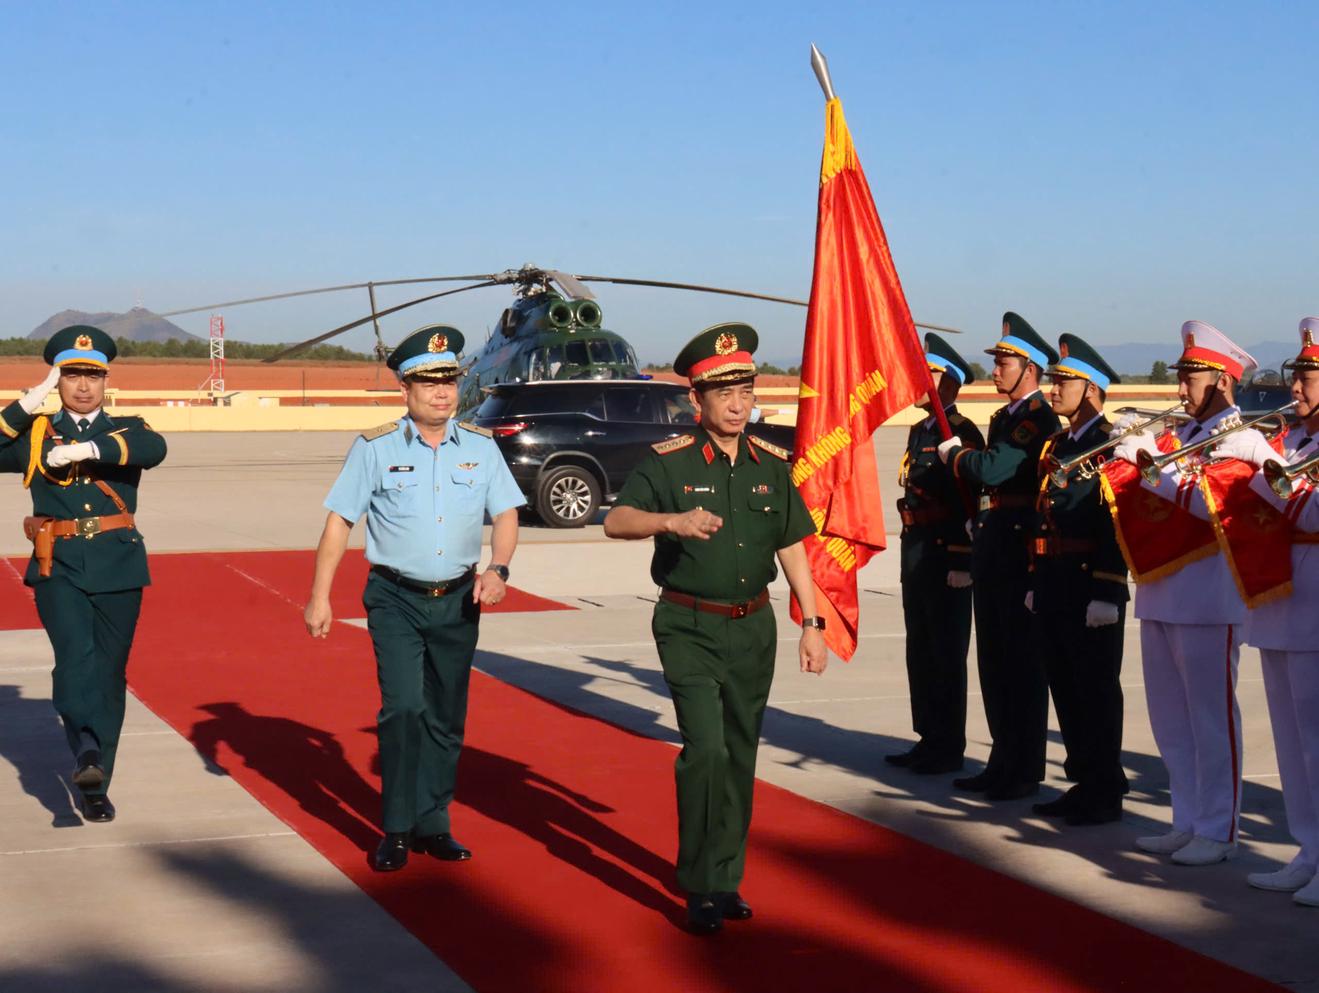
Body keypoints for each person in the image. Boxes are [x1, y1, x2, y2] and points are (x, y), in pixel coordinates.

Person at [603, 322, 827, 935]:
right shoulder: (669, 462)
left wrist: (812, 621)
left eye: (745, 392)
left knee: (739, 753)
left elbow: (792, 544)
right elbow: (617, 521)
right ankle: (699, 883)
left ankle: (726, 879)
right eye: (724, 393)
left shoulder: (770, 465)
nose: (737, 405)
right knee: (705, 751)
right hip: (689, 625)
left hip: (754, 628)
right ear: (696, 399)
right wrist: (670, 522)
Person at [304, 325, 524, 872]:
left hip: (459, 599)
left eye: (449, 381)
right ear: (405, 388)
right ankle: (398, 828)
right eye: (429, 383)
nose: (442, 392)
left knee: (446, 716)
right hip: (395, 597)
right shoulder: (374, 448)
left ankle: (434, 822)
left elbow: (506, 513)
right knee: (404, 708)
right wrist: (319, 597)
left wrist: (498, 568)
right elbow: (340, 522)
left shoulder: (480, 447)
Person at [0, 325, 167, 823]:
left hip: (119, 563)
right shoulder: (35, 434)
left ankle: (96, 783)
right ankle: (86, 749)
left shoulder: (126, 428)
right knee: (75, 658)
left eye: (92, 376)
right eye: (71, 375)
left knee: (110, 673)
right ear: (57, 381)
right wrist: (23, 407)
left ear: (106, 381)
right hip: (60, 564)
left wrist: (87, 451)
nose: (83, 386)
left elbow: (153, 448)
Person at [1111, 320, 1264, 865]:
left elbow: (1206, 505)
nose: (1180, 389)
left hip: (1210, 597)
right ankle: (1187, 819)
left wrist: (1147, 465)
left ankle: (1219, 829)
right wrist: (1130, 453)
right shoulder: (1182, 436)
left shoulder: (1242, 440)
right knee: (1171, 719)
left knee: (1210, 719)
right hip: (1162, 589)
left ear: (1222, 381)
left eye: (1190, 378)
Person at [936, 312, 1061, 800]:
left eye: (1003, 363)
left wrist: (955, 457)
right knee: (994, 663)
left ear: (1029, 369)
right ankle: (1002, 760)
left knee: (1021, 665)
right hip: (994, 548)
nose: (995, 370)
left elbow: (994, 468)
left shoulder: (1035, 419)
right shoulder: (1006, 418)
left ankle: (1023, 769)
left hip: (1017, 553)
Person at [1218, 318, 1319, 900]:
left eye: (1307, 377)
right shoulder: (1297, 440)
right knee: (1292, 741)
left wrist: (1266, 471)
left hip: (1314, 599)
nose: (1295, 388)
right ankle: (1309, 849)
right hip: (1282, 597)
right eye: (1296, 375)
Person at [1027, 334, 1129, 825]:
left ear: (1090, 389)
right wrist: (1036, 577)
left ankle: (1104, 790)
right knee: (1065, 687)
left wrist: (1108, 587)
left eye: (1062, 382)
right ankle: (1084, 781)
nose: (1053, 389)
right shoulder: (1060, 443)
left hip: (1090, 584)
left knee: (1096, 691)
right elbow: (1044, 512)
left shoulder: (1111, 442)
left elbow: (1115, 520)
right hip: (1056, 581)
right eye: (1053, 381)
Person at [888, 333, 983, 775]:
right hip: (918, 553)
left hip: (947, 556)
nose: (916, 382)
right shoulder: (919, 430)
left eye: (926, 374)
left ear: (949, 383)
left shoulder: (961, 433)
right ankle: (927, 737)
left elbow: (972, 501)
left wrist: (963, 558)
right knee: (921, 651)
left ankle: (947, 746)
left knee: (946, 654)